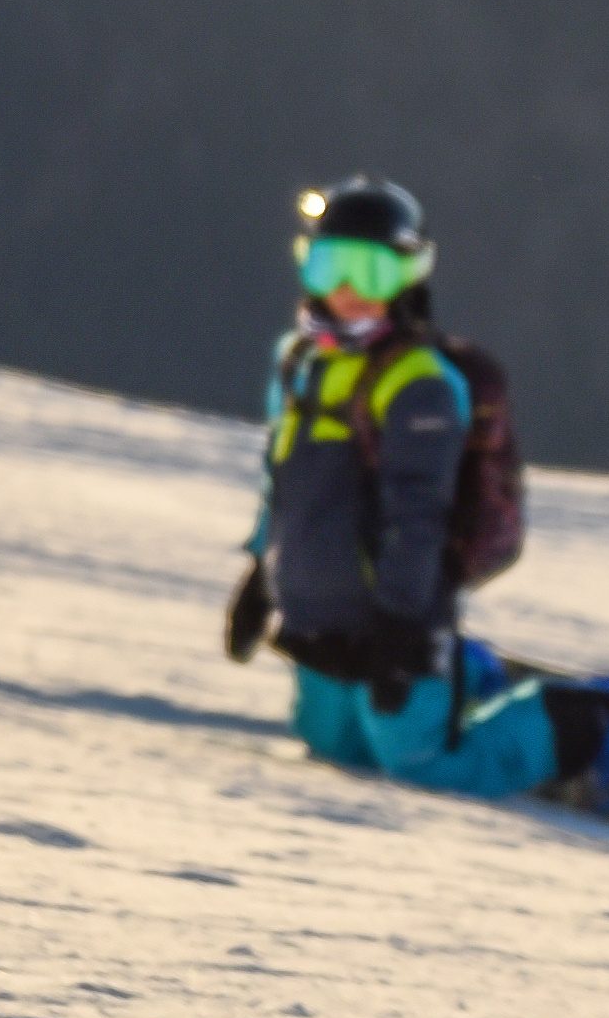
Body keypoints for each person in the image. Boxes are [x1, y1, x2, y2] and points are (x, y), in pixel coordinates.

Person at [228, 176, 573, 801]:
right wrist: (259, 574)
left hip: (396, 617)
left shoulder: (420, 383)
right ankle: (468, 682)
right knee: (335, 752)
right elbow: (280, 480)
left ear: (408, 275)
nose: (349, 291)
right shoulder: (300, 363)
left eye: (372, 272)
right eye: (332, 266)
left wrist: (401, 627)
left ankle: (590, 724)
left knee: (422, 768)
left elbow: (418, 518)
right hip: (317, 613)